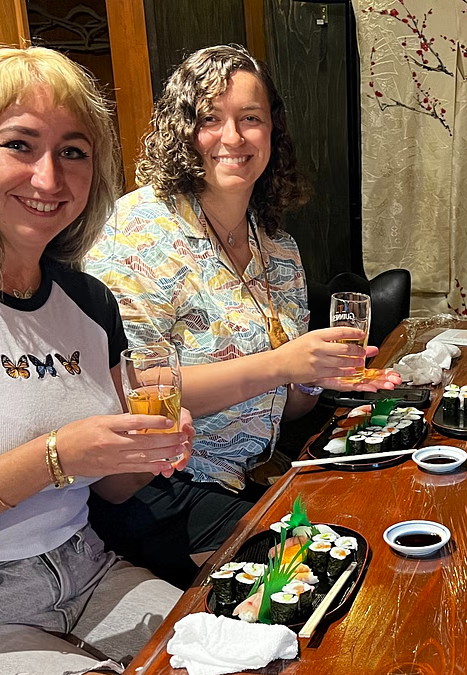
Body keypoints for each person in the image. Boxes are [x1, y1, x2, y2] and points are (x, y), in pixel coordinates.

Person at [85, 45, 399, 588]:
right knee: (320, 578)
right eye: (210, 118)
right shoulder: (133, 232)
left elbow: (292, 403)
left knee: (382, 513)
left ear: (272, 132)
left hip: (255, 472)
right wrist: (282, 363)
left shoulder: (277, 246)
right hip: (161, 485)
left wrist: (317, 375)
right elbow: (133, 388)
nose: (232, 137)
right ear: (182, 130)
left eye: (250, 118)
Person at [0, 46, 194, 675]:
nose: (49, 178)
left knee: (247, 668)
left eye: (72, 151)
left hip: (87, 566)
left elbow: (109, 487)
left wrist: (148, 452)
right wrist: (56, 456)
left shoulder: (86, 300)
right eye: (19, 144)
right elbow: (65, 458)